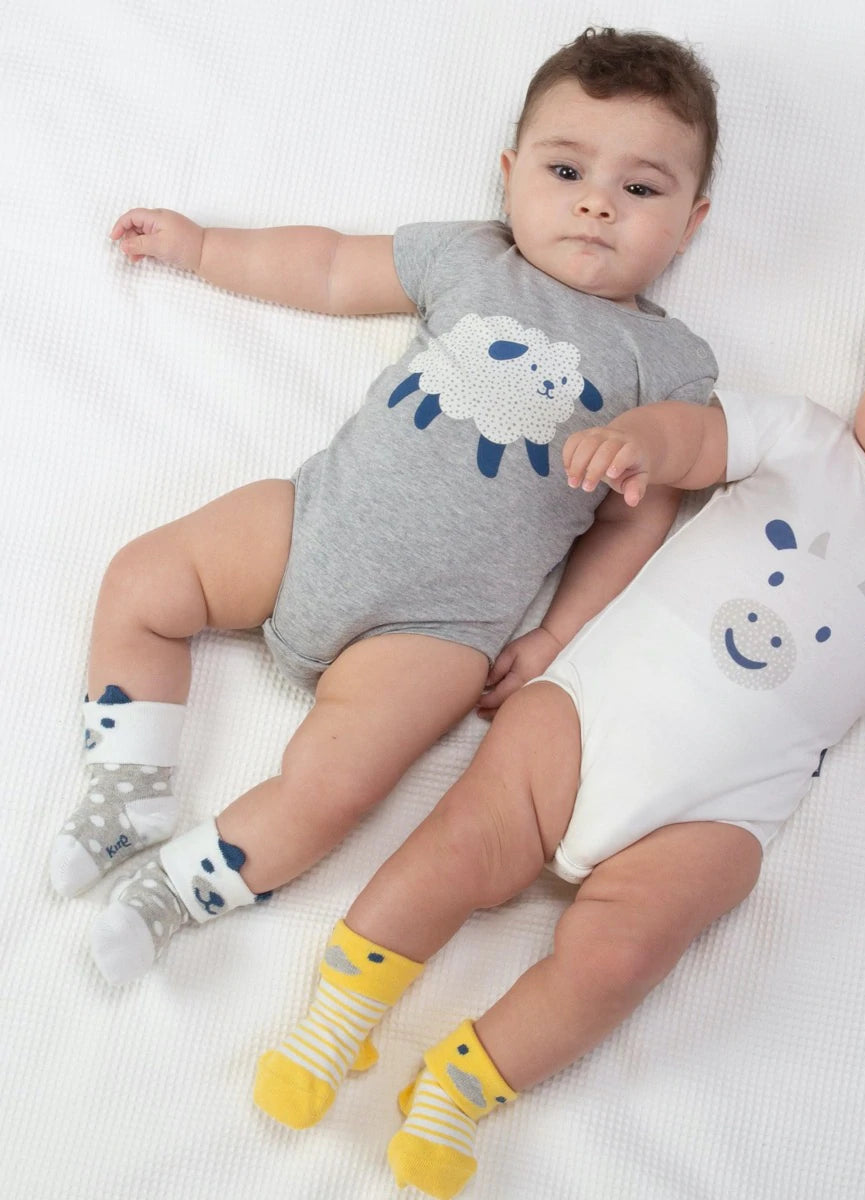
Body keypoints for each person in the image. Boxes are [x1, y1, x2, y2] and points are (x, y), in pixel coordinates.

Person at [250, 211, 865, 1200]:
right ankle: (335, 1022)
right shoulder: (802, 438)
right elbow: (696, 435)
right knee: (459, 845)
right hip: (589, 715)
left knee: (625, 955)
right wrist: (636, 441)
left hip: (719, 811)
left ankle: (465, 1084)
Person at [50, 27, 721, 986]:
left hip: (436, 631)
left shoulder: (670, 366)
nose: (596, 203)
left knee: (334, 787)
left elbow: (636, 518)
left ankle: (174, 893)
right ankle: (126, 786)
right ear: (510, 175)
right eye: (567, 169)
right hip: (310, 524)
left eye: (642, 189)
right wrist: (201, 248)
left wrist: (557, 634)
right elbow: (328, 267)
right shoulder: (473, 257)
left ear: (691, 222)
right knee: (144, 579)